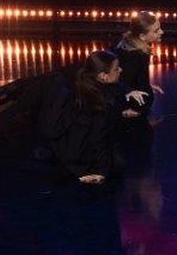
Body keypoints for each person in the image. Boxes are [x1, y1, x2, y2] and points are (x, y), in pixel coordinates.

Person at [37, 49, 123, 183]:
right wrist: (100, 171)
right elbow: (97, 138)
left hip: (61, 152)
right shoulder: (95, 102)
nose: (121, 70)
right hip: (75, 159)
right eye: (116, 69)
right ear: (103, 76)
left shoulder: (83, 87)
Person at [114, 10, 161, 119]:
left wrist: (146, 85)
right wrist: (129, 92)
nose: (161, 32)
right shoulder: (133, 54)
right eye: (156, 31)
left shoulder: (137, 50)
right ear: (142, 36)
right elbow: (116, 80)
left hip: (138, 108)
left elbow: (131, 79)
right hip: (131, 110)